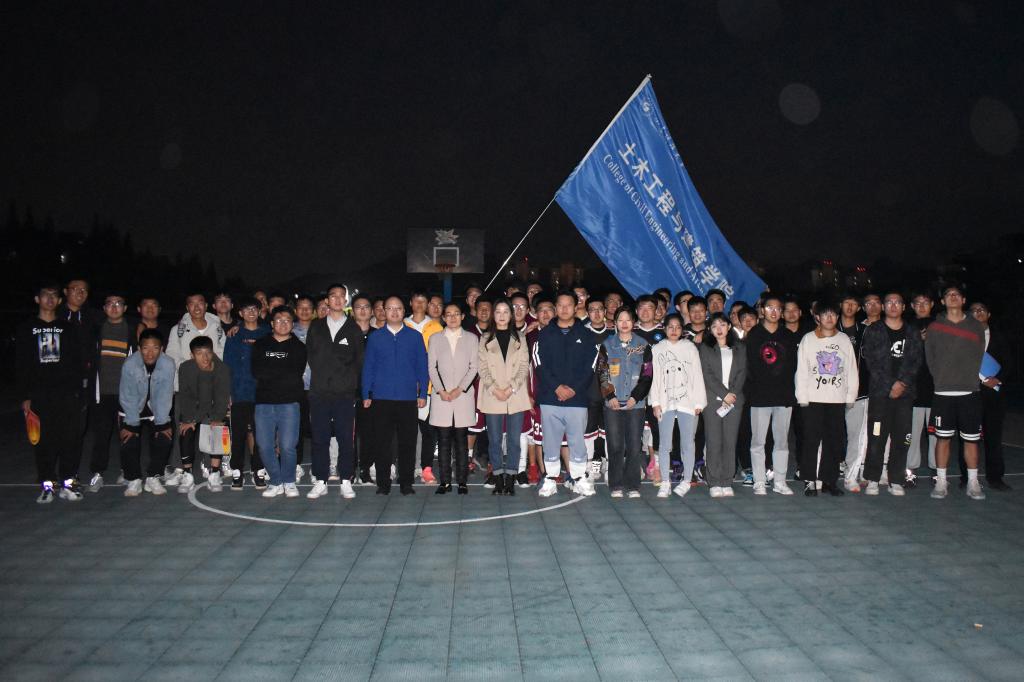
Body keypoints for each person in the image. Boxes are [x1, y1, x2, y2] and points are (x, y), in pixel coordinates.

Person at [17, 283, 86, 503]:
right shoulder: (27, 328)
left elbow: (77, 361)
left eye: (53, 296)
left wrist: (78, 391)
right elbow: (21, 364)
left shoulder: (68, 328)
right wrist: (25, 396)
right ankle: (47, 485)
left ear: (59, 301)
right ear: (37, 299)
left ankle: (69, 483)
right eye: (45, 295)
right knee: (43, 442)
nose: (49, 299)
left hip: (67, 394)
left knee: (70, 440)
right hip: (39, 395)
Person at [533, 291, 598, 497]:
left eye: (568, 305)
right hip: (550, 398)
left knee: (577, 441)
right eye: (560, 305)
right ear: (555, 307)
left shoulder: (586, 335)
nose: (564, 309)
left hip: (576, 399)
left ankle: (579, 478)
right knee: (550, 442)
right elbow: (539, 363)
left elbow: (591, 366)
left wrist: (573, 389)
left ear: (576, 306)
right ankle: (550, 479)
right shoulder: (544, 334)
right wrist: (556, 388)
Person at [362, 296, 429, 495]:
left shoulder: (414, 337)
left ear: (403, 311)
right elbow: (368, 367)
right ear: (383, 311)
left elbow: (422, 367)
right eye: (390, 308)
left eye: (398, 308)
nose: (394, 312)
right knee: (382, 442)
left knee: (407, 442)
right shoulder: (375, 337)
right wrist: (366, 393)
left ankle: (406, 482)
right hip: (381, 398)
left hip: (407, 398)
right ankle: (383, 483)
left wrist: (422, 393)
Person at [926, 286, 987, 500]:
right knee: (942, 440)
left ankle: (973, 482)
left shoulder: (976, 326)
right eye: (948, 295)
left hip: (970, 392)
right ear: (943, 301)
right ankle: (941, 482)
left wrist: (969, 378)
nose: (952, 297)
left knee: (971, 440)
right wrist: (941, 379)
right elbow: (930, 358)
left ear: (963, 299)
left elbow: (979, 355)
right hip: (943, 393)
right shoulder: (934, 327)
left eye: (956, 294)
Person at [860, 292, 923, 496]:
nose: (893, 305)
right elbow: (871, 362)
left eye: (897, 302)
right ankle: (873, 478)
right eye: (889, 302)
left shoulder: (912, 332)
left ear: (904, 307)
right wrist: (890, 385)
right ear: (884, 306)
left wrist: (902, 384)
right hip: (880, 394)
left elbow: (916, 361)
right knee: (876, 436)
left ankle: (896, 479)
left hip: (905, 395)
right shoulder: (874, 330)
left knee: (902, 438)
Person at [305, 285, 365, 499]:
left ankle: (346, 480)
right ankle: (320, 480)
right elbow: (311, 356)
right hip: (319, 392)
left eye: (341, 296)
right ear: (327, 301)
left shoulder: (353, 328)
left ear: (346, 301)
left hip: (344, 394)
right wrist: (324, 377)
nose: (338, 300)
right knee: (319, 438)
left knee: (345, 438)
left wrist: (348, 383)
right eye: (333, 296)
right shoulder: (316, 327)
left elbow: (359, 361)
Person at [795, 300, 859, 496]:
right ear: (817, 317)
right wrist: (802, 396)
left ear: (837, 317)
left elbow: (851, 370)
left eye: (833, 314)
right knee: (811, 440)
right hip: (813, 399)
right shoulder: (808, 339)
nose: (830, 318)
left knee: (834, 441)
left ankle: (829, 480)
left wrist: (851, 395)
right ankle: (809, 480)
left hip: (837, 399)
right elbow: (802, 371)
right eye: (825, 315)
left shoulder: (844, 339)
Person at [596, 307, 653, 499]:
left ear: (634, 322)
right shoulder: (607, 345)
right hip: (612, 404)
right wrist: (610, 396)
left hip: (635, 405)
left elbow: (647, 375)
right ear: (615, 323)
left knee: (634, 446)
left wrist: (635, 397)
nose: (625, 323)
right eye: (621, 320)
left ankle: (633, 484)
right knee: (615, 446)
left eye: (628, 319)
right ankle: (616, 484)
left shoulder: (643, 345)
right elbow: (602, 372)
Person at [252, 306, 308, 498]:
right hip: (264, 403)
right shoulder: (261, 344)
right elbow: (257, 372)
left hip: (289, 403)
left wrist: (272, 369)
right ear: (271, 323)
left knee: (287, 446)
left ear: (292, 324)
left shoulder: (299, 347)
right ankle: (275, 481)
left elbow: (295, 374)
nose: (283, 323)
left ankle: (289, 481)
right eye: (279, 320)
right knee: (264, 445)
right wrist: (280, 370)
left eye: (287, 320)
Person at [476, 299, 531, 495]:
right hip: (493, 394)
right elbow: (482, 367)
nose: (501, 315)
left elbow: (524, 366)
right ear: (493, 314)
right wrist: (495, 389)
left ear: (511, 314)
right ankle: (498, 476)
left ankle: (511, 477)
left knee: (514, 440)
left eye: (505, 311)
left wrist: (511, 388)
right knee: (495, 440)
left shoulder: (520, 338)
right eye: (498, 311)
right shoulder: (485, 338)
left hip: (515, 394)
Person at [745, 294, 798, 495]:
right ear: (762, 310)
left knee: (782, 441)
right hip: (760, 395)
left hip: (783, 395)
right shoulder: (754, 335)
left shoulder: (788, 335)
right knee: (758, 441)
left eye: (777, 308)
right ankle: (759, 481)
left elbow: (793, 365)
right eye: (769, 308)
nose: (773, 312)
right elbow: (750, 366)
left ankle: (780, 481)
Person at [648, 314, 705, 499]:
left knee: (687, 443)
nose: (674, 330)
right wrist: (655, 402)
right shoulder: (657, 349)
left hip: (688, 402)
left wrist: (699, 402)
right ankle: (665, 481)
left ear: (682, 330)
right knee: (665, 444)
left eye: (678, 327)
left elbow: (697, 375)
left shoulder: (690, 348)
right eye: (670, 327)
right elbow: (654, 378)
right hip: (665, 402)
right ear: (665, 329)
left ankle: (686, 480)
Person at [86, 293, 137, 492]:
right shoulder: (96, 330)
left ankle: (127, 471)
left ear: (125, 308)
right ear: (104, 308)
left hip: (125, 394)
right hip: (102, 393)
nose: (114, 307)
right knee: (101, 435)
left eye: (118, 303)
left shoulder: (132, 330)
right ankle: (97, 473)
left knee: (127, 435)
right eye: (110, 304)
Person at [428, 303, 479, 494]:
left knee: (461, 442)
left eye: (456, 314)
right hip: (441, 397)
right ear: (443, 317)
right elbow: (432, 367)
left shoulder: (472, 338)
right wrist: (441, 390)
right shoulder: (435, 338)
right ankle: (445, 481)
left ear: (462, 316)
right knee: (443, 441)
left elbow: (474, 367)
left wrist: (460, 389)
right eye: (448, 314)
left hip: (463, 396)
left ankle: (462, 481)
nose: (452, 317)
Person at [118, 328, 175, 496]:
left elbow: (165, 394)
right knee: (129, 439)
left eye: (155, 348)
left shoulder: (168, 364)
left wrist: (162, 423)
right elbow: (128, 395)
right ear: (138, 348)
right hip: (131, 406)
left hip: (156, 405)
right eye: (145, 348)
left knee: (165, 437)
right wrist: (132, 425)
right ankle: (133, 479)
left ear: (162, 348)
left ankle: (153, 476)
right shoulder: (130, 364)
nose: (150, 353)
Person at [223, 298, 270, 490]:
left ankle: (258, 470)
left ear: (259, 311)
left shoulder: (268, 332)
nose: (251, 312)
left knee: (261, 434)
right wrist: (228, 393)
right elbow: (227, 365)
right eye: (247, 309)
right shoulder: (234, 335)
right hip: (239, 392)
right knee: (238, 434)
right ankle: (237, 471)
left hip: (262, 393)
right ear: (240, 313)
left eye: (254, 309)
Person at [697, 313, 746, 498]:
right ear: (709, 329)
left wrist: (731, 394)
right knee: (714, 442)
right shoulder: (705, 348)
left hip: (734, 401)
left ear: (729, 327)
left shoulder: (740, 347)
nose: (719, 329)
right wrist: (724, 394)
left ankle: (727, 480)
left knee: (730, 442)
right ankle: (714, 481)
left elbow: (742, 372)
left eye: (722, 325)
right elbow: (707, 374)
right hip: (713, 401)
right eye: (714, 326)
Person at [176, 336, 231, 493]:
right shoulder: (185, 368)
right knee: (185, 428)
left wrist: (217, 418)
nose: (205, 357)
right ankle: (187, 474)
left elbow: (222, 398)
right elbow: (185, 396)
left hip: (214, 407)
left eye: (208, 353)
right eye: (199, 353)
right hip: (194, 406)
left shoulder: (222, 369)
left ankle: (215, 473)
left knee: (218, 427)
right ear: (192, 355)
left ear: (213, 353)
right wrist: (190, 420)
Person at [967, 302, 1011, 491]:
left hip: (994, 394)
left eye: (982, 310)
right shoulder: (963, 337)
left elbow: (1009, 362)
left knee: (993, 436)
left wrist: (997, 379)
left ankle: (995, 477)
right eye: (974, 310)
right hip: (970, 392)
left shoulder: (1000, 336)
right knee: (968, 437)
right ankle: (966, 477)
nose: (978, 313)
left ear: (989, 314)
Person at [405, 290, 442, 484]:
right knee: (407, 430)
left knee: (428, 431)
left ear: (427, 304)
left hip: (429, 388)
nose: (419, 304)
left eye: (423, 301)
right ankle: (408, 467)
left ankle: (426, 468)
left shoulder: (436, 327)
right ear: (410, 303)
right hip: (404, 388)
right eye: (416, 301)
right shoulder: (402, 324)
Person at [839, 293, 870, 492]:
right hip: (831, 391)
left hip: (858, 392)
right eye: (846, 303)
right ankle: (824, 473)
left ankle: (851, 475)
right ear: (840, 305)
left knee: (855, 435)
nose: (850, 307)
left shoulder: (866, 331)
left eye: (854, 304)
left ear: (858, 308)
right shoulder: (830, 329)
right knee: (830, 434)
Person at [907, 291, 937, 486]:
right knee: (911, 435)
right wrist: (917, 339)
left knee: (936, 435)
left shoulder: (940, 325)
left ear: (932, 304)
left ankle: (937, 471)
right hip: (913, 391)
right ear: (912, 306)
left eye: (925, 302)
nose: (922, 305)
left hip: (936, 390)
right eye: (918, 302)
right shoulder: (907, 327)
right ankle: (910, 471)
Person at [166, 292, 226, 380]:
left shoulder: (217, 328)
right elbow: (172, 354)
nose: (196, 307)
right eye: (192, 304)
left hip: (213, 379)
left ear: (206, 305)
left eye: (200, 303)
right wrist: (190, 368)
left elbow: (224, 350)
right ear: (187, 308)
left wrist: (212, 366)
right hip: (187, 380)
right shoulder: (177, 330)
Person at [583, 297, 611, 481]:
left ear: (605, 311)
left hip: (610, 391)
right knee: (590, 430)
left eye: (600, 309)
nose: (597, 313)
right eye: (592, 310)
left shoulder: (614, 333)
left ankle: (609, 465)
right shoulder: (581, 333)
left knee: (609, 430)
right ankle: (592, 465)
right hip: (589, 390)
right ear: (587, 313)